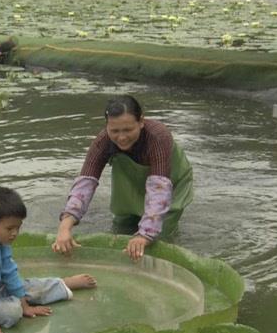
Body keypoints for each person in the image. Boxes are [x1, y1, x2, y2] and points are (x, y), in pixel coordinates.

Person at [52, 95, 193, 262]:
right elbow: (85, 184)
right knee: (121, 229)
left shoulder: (157, 136)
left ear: (141, 121)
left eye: (128, 130)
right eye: (115, 131)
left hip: (168, 182)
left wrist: (145, 235)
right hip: (130, 185)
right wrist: (65, 225)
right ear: (107, 126)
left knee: (159, 236)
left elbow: (159, 191)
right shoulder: (102, 141)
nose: (122, 137)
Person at [0, 187, 97, 333]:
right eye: (10, 228)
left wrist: (25, 306)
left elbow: (10, 273)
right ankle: (26, 298)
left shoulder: (1, 239)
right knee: (12, 313)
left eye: (18, 227)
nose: (15, 233)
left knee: (23, 287)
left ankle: (62, 284)